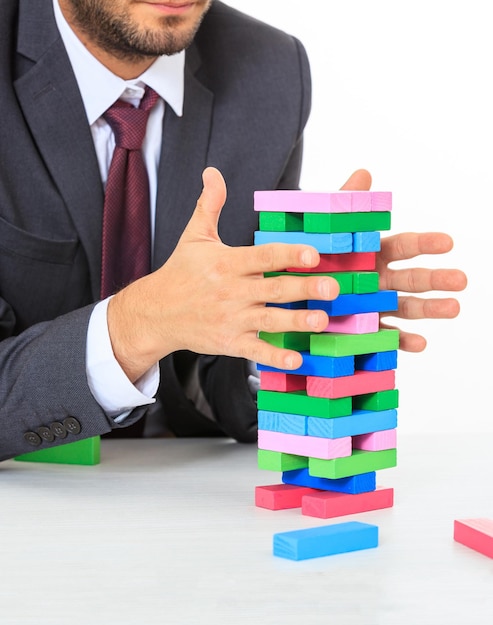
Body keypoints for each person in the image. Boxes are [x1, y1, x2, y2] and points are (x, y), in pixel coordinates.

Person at [0, 0, 467, 462]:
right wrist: (137, 325)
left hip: (189, 486)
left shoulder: (271, 68)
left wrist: (295, 324)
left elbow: (213, 366)